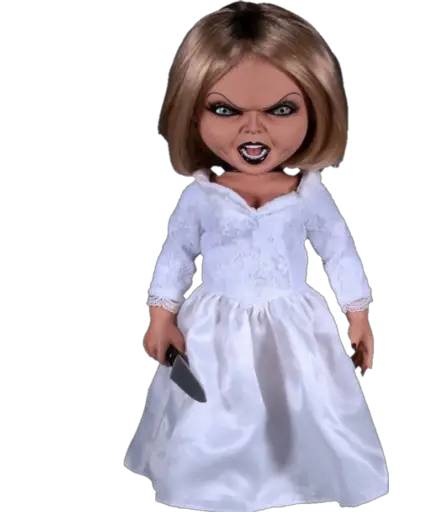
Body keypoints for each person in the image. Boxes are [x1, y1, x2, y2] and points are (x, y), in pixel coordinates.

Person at [124, 2, 389, 510]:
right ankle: (215, 482)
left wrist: (357, 313)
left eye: (281, 110)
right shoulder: (202, 197)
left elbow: (339, 251)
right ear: (191, 112)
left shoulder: (308, 195)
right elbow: (176, 255)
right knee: (213, 407)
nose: (253, 129)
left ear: (316, 109)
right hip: (215, 325)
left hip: (294, 324)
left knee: (300, 399)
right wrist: (161, 314)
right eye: (225, 110)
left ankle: (294, 474)